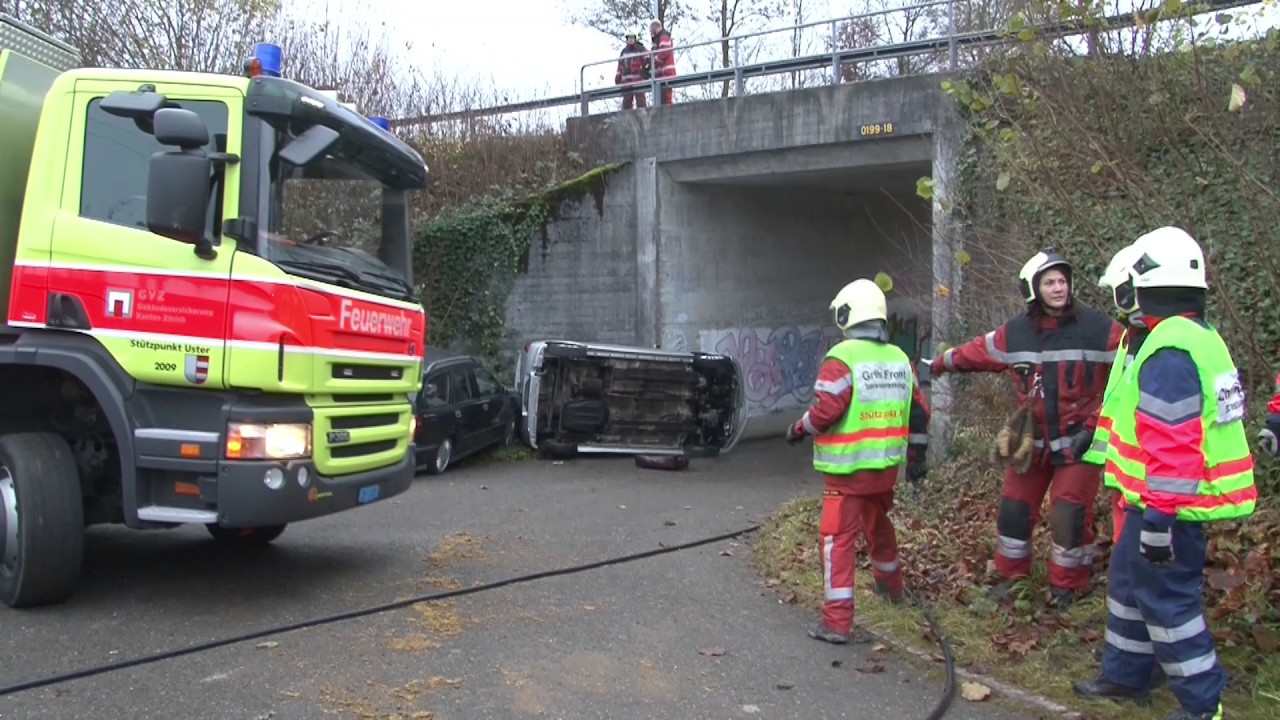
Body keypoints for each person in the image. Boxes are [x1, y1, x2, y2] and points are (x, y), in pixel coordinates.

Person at [1073, 226, 1257, 720]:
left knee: (1169, 604)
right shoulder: (1192, 336)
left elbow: (1173, 445)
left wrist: (1158, 519)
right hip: (1157, 501)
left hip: (1167, 507)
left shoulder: (1169, 349)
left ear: (1149, 284)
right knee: (1131, 588)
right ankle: (1126, 675)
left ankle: (1203, 705)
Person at [929, 249, 1123, 609]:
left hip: (1081, 441)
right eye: (1050, 282)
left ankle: (1068, 586)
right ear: (1034, 289)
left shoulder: (1100, 329)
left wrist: (1097, 424)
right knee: (1013, 510)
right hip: (1033, 442)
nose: (1059, 288)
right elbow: (977, 351)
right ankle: (1011, 578)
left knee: (1068, 515)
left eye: (1063, 281)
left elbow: (1130, 369)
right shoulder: (1015, 333)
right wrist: (940, 364)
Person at [785, 278, 930, 644]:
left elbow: (825, 412)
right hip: (884, 471)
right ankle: (890, 588)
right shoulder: (900, 359)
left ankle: (836, 622)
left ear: (847, 315)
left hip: (847, 474)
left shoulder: (842, 359)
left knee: (837, 542)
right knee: (879, 525)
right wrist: (916, 457)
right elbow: (919, 412)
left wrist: (799, 428)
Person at [1085, 241, 1150, 546]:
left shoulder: (1161, 343)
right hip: (1126, 472)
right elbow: (1119, 397)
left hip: (1148, 477)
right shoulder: (1130, 339)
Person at [614, 31, 650, 110]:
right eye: (629, 38)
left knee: (641, 101)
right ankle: (626, 120)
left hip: (638, 79)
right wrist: (618, 76)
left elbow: (649, 60)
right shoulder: (624, 52)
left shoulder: (641, 49)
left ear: (635, 38)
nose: (630, 40)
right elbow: (620, 66)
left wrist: (646, 72)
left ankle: (643, 119)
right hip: (626, 81)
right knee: (626, 102)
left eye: (632, 38)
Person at [649, 20, 676, 105]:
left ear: (654, 27)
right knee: (661, 100)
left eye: (651, 30)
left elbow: (664, 52)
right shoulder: (657, 39)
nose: (650, 32)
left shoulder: (663, 37)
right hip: (661, 74)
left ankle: (668, 116)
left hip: (666, 73)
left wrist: (654, 62)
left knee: (666, 99)